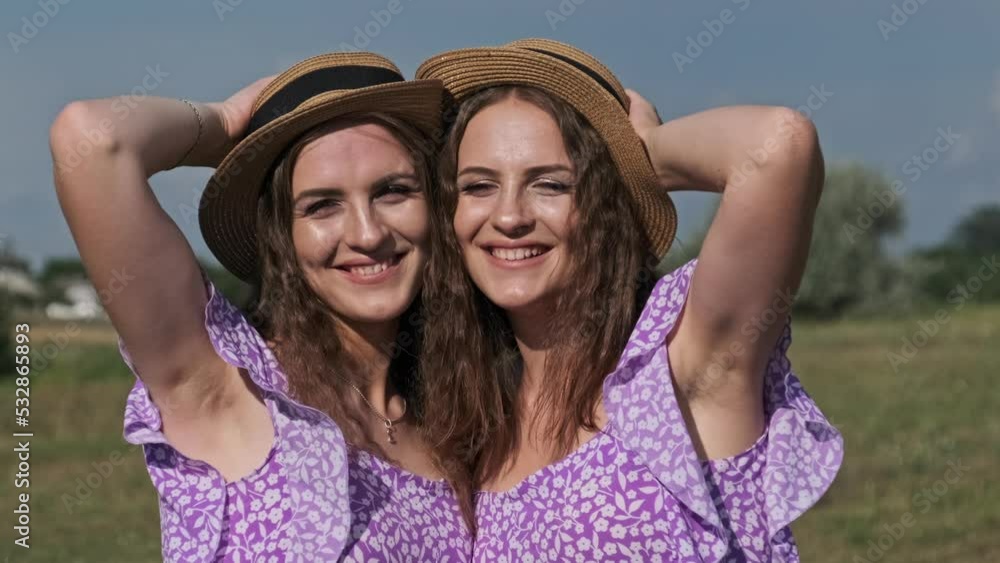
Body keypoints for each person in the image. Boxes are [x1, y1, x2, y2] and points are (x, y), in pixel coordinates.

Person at [418, 39, 844, 561]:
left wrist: (642, 152)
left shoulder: (677, 366)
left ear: (604, 204)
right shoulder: (474, 422)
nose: (509, 217)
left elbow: (781, 145)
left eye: (550, 184)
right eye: (479, 186)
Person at [49, 52, 472, 561]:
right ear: (281, 238)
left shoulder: (455, 424)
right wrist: (226, 125)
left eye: (393, 192)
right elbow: (91, 140)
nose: (367, 233)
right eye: (322, 205)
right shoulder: (234, 386)